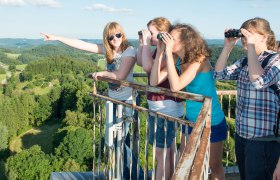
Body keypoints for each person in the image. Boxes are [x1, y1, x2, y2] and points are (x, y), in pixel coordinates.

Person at [41, 21, 143, 180]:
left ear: (122, 35)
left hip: (127, 104)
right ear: (106, 39)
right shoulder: (107, 51)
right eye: (111, 37)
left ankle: (138, 176)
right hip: (113, 102)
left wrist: (102, 73)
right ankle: (127, 175)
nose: (115, 38)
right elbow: (81, 44)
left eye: (118, 34)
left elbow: (120, 76)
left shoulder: (129, 51)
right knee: (120, 145)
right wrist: (56, 38)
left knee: (121, 144)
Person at [150, 23, 227, 180]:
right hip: (191, 120)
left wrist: (169, 55)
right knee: (186, 164)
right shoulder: (177, 59)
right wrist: (159, 53)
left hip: (212, 121)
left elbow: (176, 86)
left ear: (186, 41)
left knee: (215, 166)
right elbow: (154, 81)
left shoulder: (199, 60)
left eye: (172, 38)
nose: (168, 40)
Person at [214, 17, 280, 180]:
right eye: (243, 35)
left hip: (264, 140)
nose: (244, 39)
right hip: (242, 136)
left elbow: (259, 81)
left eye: (249, 34)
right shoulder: (244, 61)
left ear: (264, 37)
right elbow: (219, 74)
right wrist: (228, 47)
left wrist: (250, 47)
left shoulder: (276, 60)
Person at [137, 17, 185, 179]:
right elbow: (139, 60)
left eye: (151, 32)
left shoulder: (169, 53)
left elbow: (147, 67)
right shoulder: (158, 50)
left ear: (162, 34)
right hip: (159, 108)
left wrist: (145, 43)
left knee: (161, 154)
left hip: (167, 110)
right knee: (167, 152)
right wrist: (142, 43)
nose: (149, 35)